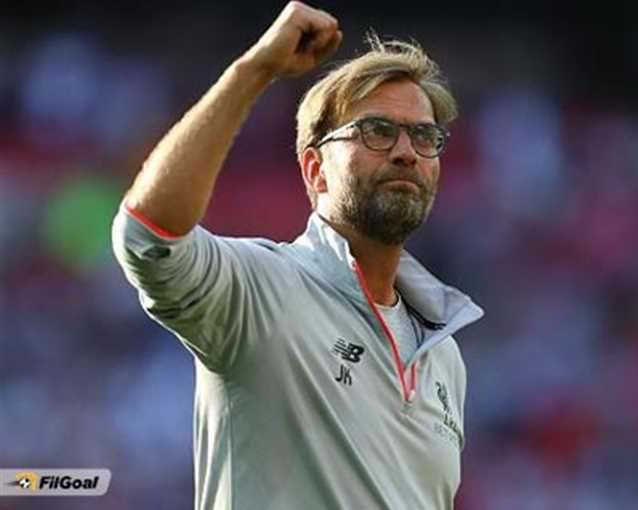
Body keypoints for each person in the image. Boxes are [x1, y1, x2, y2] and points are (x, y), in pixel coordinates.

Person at [111, 2, 484, 509]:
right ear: (315, 170)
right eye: (377, 131)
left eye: (424, 136)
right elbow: (148, 236)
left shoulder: (443, 353)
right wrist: (255, 69)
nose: (406, 152)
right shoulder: (261, 288)